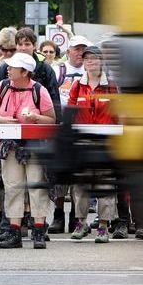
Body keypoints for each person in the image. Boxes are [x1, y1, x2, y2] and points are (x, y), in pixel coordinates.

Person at [0, 52, 56, 249]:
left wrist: (35, 118)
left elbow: (51, 119)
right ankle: (14, 231)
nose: (8, 69)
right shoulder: (2, 87)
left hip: (34, 145)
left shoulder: (39, 90)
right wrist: (2, 119)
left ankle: (38, 231)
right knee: (12, 186)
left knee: (36, 186)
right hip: (9, 145)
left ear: (25, 72)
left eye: (13, 67)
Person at [67, 46, 119, 243]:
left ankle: (104, 226)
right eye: (87, 58)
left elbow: (118, 114)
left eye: (94, 58)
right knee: (81, 184)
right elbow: (70, 114)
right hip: (83, 141)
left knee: (105, 184)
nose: (90, 61)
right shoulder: (77, 86)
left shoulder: (111, 86)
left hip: (106, 142)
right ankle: (80, 223)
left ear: (101, 61)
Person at [48, 34, 93, 234]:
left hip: (82, 128)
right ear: (68, 51)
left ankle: (77, 215)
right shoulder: (58, 70)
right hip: (61, 128)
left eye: (83, 49)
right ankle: (58, 215)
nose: (80, 53)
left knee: (79, 176)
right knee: (59, 175)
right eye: (76, 49)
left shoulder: (91, 72)